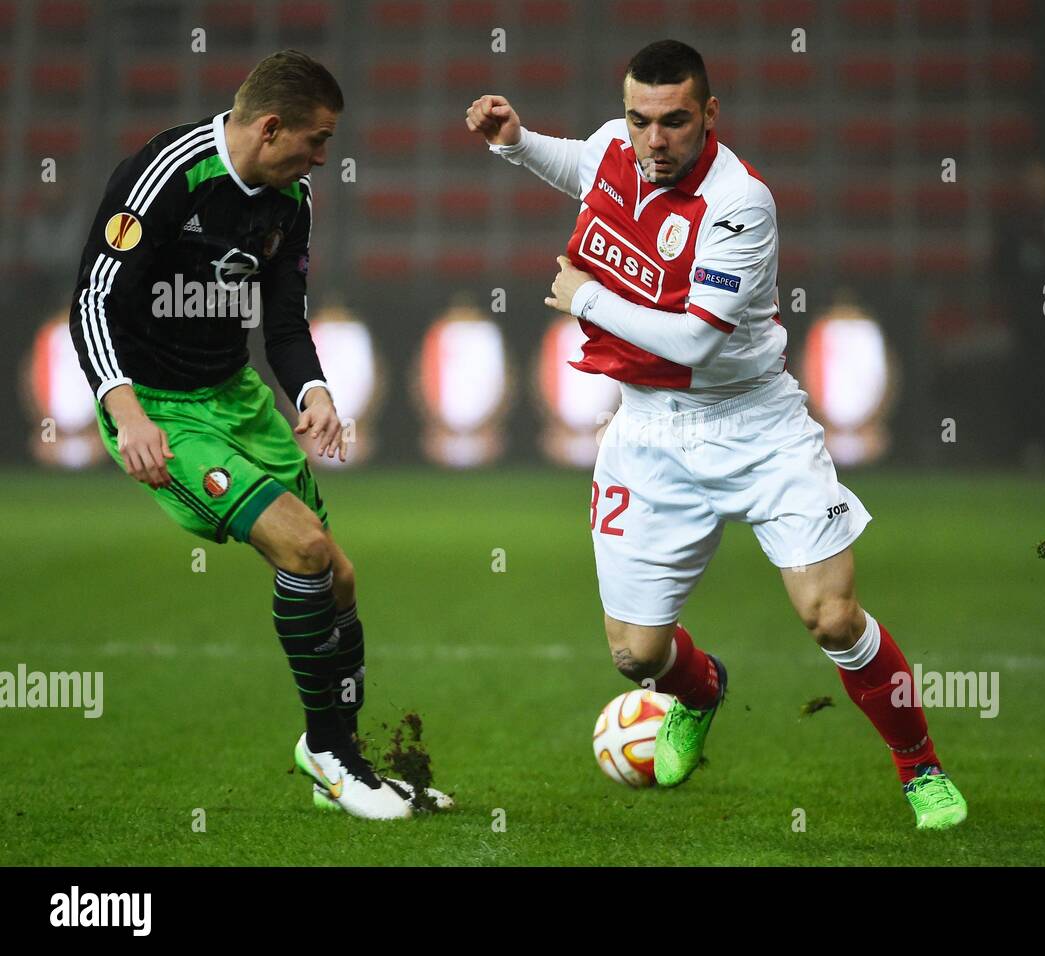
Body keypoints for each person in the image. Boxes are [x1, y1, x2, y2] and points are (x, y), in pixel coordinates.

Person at [467, 39, 966, 829]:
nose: (652, 140)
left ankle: (921, 768)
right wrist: (517, 144)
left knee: (832, 617)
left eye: (672, 122)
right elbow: (584, 164)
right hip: (648, 432)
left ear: (709, 114)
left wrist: (585, 299)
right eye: (639, 120)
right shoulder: (617, 147)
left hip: (756, 425)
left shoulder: (741, 201)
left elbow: (697, 340)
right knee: (635, 654)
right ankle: (700, 693)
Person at [70, 49, 442, 820]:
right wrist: (125, 411)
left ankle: (347, 762)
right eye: (317, 140)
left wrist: (313, 391)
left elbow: (281, 321)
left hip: (235, 398)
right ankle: (328, 754)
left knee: (336, 575)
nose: (322, 157)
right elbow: (92, 300)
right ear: (272, 128)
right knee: (303, 551)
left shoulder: (290, 199)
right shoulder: (167, 175)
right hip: (163, 414)